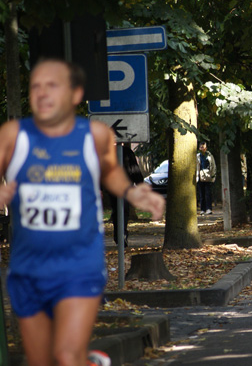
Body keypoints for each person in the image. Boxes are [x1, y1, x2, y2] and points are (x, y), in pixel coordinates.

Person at [0, 58, 165, 366]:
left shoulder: (96, 135)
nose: (42, 93)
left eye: (53, 85)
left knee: (65, 354)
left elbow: (109, 172)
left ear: (75, 95)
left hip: (79, 265)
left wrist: (132, 192)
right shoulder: (12, 136)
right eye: (36, 86)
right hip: (28, 269)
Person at [108, 143, 144, 247]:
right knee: (123, 210)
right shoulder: (126, 152)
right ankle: (121, 234)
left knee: (118, 210)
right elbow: (134, 169)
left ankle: (119, 235)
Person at [197, 141, 217, 215]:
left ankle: (209, 208)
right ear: (199, 148)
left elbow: (213, 166)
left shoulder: (209, 156)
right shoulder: (198, 156)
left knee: (208, 193)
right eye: (201, 147)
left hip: (208, 176)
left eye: (204, 147)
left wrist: (213, 176)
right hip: (200, 176)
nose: (203, 148)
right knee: (201, 194)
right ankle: (203, 209)